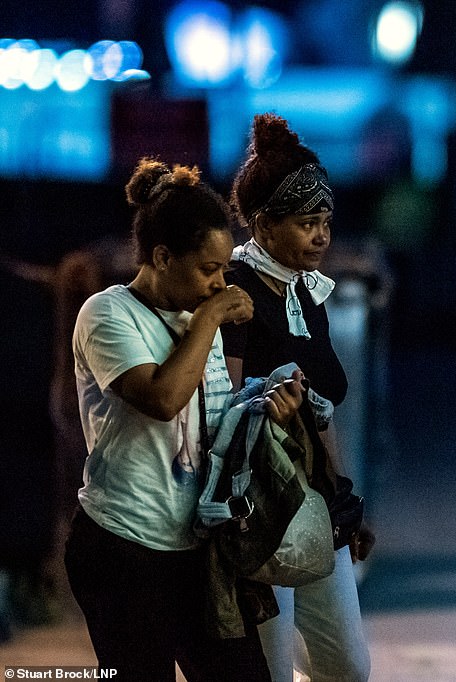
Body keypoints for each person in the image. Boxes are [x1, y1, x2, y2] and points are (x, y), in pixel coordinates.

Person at [65, 158, 304, 681]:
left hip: (198, 550)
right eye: (207, 268)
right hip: (124, 548)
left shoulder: (199, 316)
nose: (219, 283)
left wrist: (267, 410)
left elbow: (213, 424)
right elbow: (162, 398)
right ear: (161, 256)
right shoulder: (108, 314)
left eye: (223, 269)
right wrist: (211, 319)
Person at [222, 112, 372, 682]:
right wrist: (261, 406)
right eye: (308, 223)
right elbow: (221, 402)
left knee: (347, 669)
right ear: (263, 224)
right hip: (258, 506)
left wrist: (342, 498)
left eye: (327, 222)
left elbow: (320, 407)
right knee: (270, 672)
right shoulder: (235, 293)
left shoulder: (305, 293)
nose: (322, 236)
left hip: (312, 501)